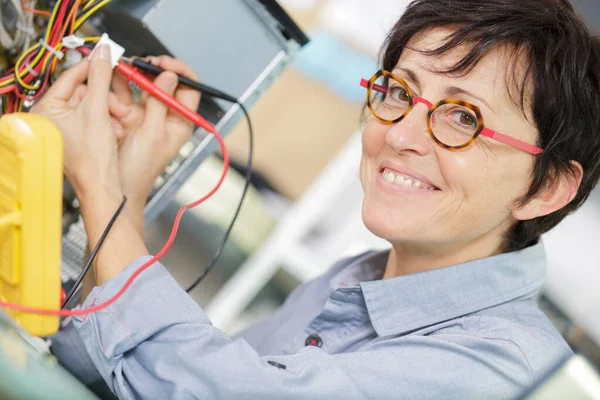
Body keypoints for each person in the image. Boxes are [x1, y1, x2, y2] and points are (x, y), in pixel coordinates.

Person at [37, 0, 600, 398]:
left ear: (544, 186)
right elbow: (150, 379)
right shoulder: (355, 280)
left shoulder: (503, 370)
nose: (401, 134)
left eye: (462, 118)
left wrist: (105, 192)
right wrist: (121, 189)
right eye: (400, 92)